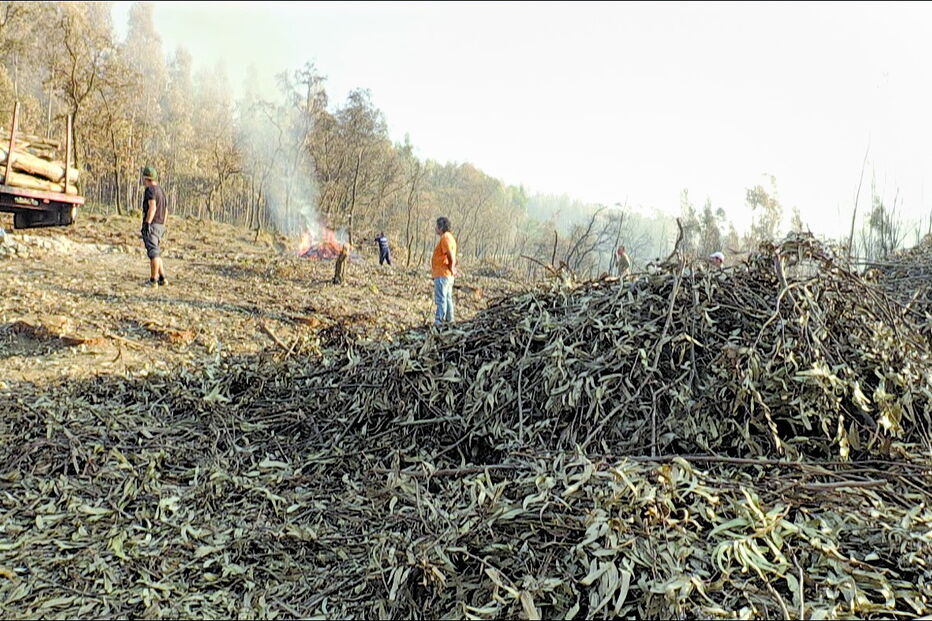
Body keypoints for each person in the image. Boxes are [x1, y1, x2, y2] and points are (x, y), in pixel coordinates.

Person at [140, 166, 168, 287]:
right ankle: (162, 278)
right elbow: (166, 210)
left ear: (146, 178)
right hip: (160, 225)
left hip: (153, 225)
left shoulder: (150, 190)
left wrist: (147, 223)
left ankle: (153, 281)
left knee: (153, 253)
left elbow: (152, 207)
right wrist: (163, 225)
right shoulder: (161, 191)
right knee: (156, 251)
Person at [431, 216, 457, 325]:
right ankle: (450, 321)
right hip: (446, 274)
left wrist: (451, 267)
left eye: (437, 226)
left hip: (442, 274)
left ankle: (439, 322)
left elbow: (450, 255)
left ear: (441, 227)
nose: (435, 228)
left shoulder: (445, 238)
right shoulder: (450, 237)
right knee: (447, 298)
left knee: (441, 299)